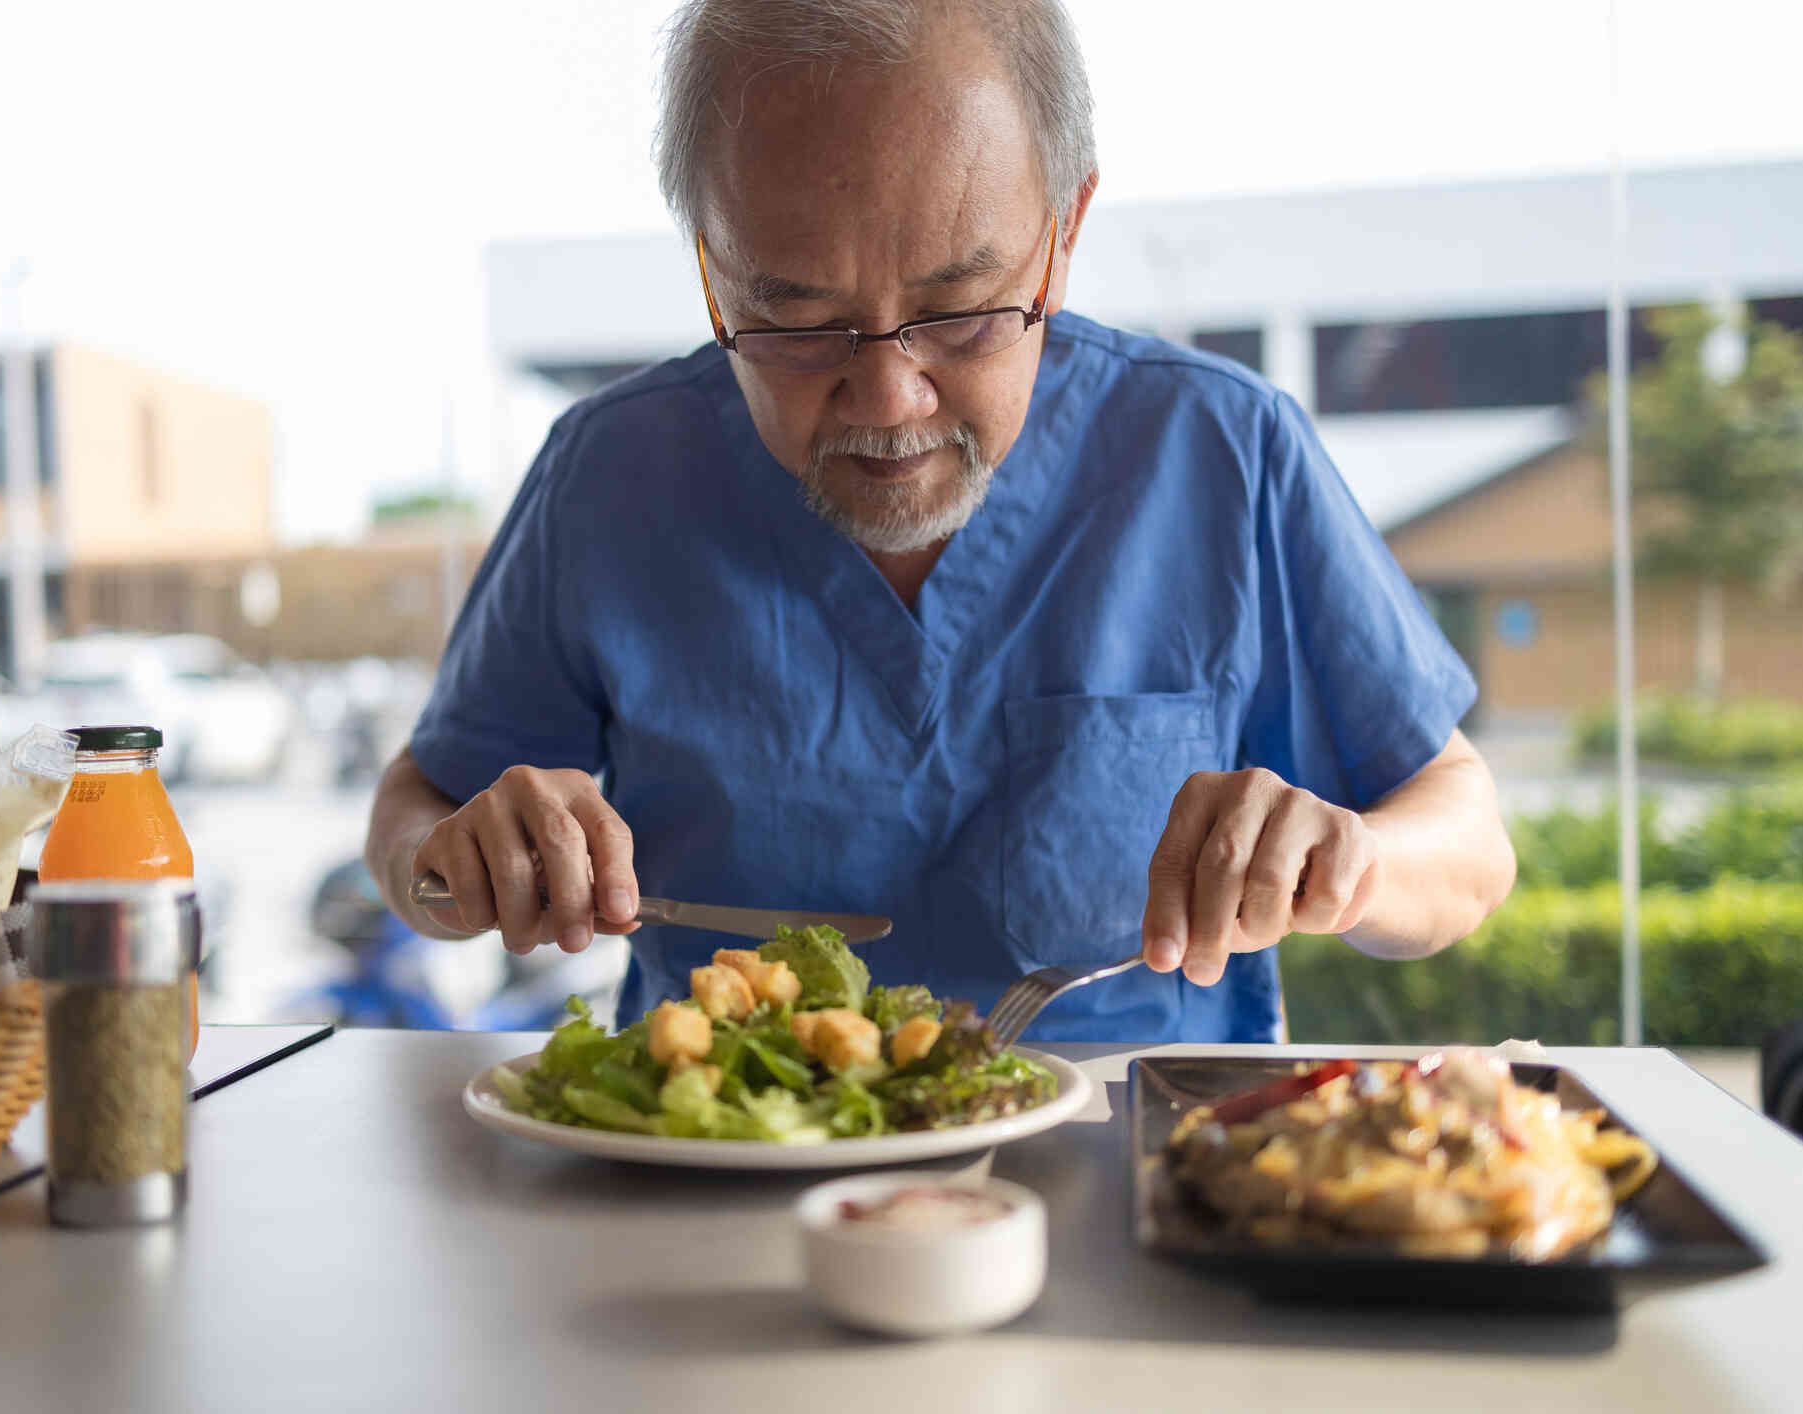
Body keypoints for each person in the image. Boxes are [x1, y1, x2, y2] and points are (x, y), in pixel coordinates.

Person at [366, 0, 1516, 1042]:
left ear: (1063, 234)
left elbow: (1467, 837)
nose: (888, 400)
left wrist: (1353, 865)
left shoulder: (1222, 451)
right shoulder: (609, 476)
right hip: (714, 1178)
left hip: (1127, 1200)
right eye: (795, 319)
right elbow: (410, 819)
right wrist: (455, 860)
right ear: (715, 275)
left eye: (959, 312)